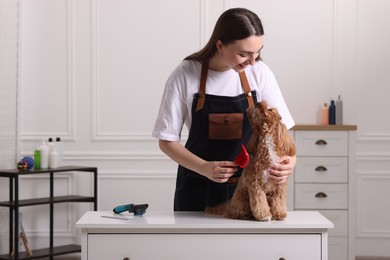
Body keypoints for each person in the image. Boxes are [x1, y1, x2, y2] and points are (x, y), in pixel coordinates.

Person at [152, 7, 296, 211]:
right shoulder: (185, 74)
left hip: (249, 192)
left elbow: (281, 131)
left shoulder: (259, 72)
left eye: (257, 53)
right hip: (197, 188)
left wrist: (290, 161)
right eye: (243, 54)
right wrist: (203, 167)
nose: (253, 61)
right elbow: (166, 141)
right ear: (220, 45)